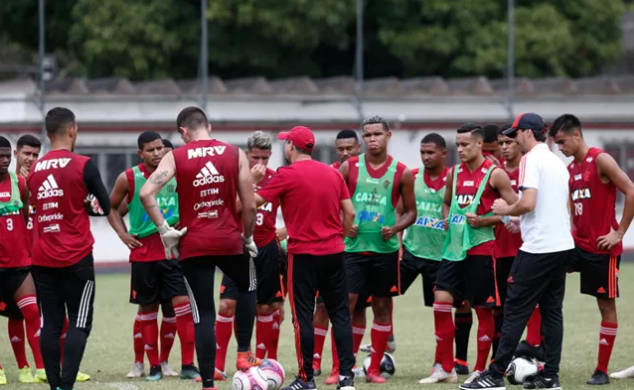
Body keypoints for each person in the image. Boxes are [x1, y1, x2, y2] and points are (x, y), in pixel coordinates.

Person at [140, 106, 257, 390]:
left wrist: (165, 230)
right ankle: (243, 353)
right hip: (230, 240)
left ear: (183, 131)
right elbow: (250, 205)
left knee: (202, 313)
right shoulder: (234, 153)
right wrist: (248, 237)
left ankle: (207, 385)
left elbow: (146, 193)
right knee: (249, 285)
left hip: (194, 244)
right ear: (209, 126)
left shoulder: (176, 156)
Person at [462, 112, 575, 390]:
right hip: (561, 246)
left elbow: (529, 202)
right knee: (552, 312)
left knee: (514, 310)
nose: (512, 140)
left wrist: (505, 210)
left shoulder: (530, 159)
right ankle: (550, 376)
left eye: (515, 135)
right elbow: (550, 206)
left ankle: (494, 375)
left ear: (527, 133)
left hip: (538, 250)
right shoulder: (558, 161)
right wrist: (519, 221)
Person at [254, 125, 356, 390]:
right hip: (334, 252)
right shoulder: (333, 173)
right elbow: (351, 213)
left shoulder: (286, 174)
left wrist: (251, 180)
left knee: (303, 317)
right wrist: (340, 237)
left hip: (303, 255)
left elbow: (253, 202)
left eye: (285, 143)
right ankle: (346, 378)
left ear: (291, 147)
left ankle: (306, 378)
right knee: (341, 315)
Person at [419, 123, 518, 385]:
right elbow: (447, 202)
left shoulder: (495, 174)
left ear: (478, 145)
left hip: (481, 250)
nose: (459, 149)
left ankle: (478, 369)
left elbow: (516, 208)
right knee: (440, 302)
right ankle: (445, 367)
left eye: (464, 145)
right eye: (457, 145)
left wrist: (486, 221)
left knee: (482, 310)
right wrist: (446, 219)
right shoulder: (454, 173)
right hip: (453, 251)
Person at [27, 107, 111, 390]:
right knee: (79, 322)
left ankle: (55, 387)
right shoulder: (83, 164)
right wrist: (90, 208)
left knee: (50, 323)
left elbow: (32, 205)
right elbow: (106, 205)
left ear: (48, 134)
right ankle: (66, 384)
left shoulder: (33, 170)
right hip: (77, 258)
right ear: (73, 130)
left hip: (41, 258)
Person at [550, 114, 634, 385]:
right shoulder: (571, 168)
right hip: (577, 245)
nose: (560, 147)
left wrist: (618, 232)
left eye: (562, 141)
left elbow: (631, 191)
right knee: (541, 277)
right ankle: (536, 354)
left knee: (605, 305)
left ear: (576, 136)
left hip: (601, 249)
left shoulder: (601, 159)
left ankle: (601, 370)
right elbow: (574, 207)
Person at [107, 131, 198, 381]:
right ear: (141, 153)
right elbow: (111, 208)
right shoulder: (128, 178)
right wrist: (123, 234)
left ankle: (188, 364)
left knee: (183, 308)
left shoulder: (177, 174)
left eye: (160, 148)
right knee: (148, 310)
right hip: (144, 253)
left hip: (174, 252)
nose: (157, 153)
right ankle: (153, 366)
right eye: (151, 150)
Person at [339, 116, 417, 384]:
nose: (372, 139)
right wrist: (344, 224)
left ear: (388, 136)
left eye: (377, 134)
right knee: (346, 305)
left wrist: (395, 229)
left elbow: (411, 213)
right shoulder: (349, 168)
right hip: (352, 250)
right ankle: (343, 367)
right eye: (367, 135)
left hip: (385, 251)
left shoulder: (402, 172)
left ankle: (373, 369)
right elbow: (332, 202)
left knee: (382, 307)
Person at [214, 131, 285, 380]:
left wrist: (285, 232)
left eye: (265, 158)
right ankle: (217, 365)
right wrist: (251, 183)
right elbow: (230, 209)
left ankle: (260, 363)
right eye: (256, 157)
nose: (261, 164)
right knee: (227, 304)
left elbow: (295, 209)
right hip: (237, 248)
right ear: (246, 154)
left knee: (266, 307)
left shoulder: (277, 178)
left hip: (266, 248)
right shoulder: (232, 177)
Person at [313, 129, 369, 383]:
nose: (345, 153)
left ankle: (352, 361)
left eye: (350, 148)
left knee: (359, 308)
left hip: (366, 249)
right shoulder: (330, 173)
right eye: (341, 149)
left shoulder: (367, 171)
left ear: (359, 147)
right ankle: (315, 360)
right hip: (333, 248)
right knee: (325, 305)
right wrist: (342, 224)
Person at [492, 126, 542, 359]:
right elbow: (489, 206)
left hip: (528, 247)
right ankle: (503, 355)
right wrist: (505, 218)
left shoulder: (530, 169)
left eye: (509, 142)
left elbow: (535, 204)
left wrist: (515, 218)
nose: (504, 147)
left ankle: (532, 349)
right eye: (501, 143)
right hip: (499, 248)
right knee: (501, 306)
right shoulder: (495, 173)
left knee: (531, 302)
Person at [398, 132, 449, 361]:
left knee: (446, 308)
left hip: (440, 257)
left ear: (443, 154)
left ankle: (450, 361)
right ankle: (385, 339)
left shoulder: (453, 179)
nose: (425, 157)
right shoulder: (413, 176)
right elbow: (399, 211)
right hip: (411, 252)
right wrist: (398, 245)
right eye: (422, 153)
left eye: (430, 152)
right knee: (379, 294)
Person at [0, 136, 46, 384]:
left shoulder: (18, 183)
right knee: (16, 317)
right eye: (1, 156)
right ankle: (8, 368)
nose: (5, 160)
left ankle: (38, 368)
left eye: (7, 156)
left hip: (21, 263)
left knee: (31, 312)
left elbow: (28, 211)